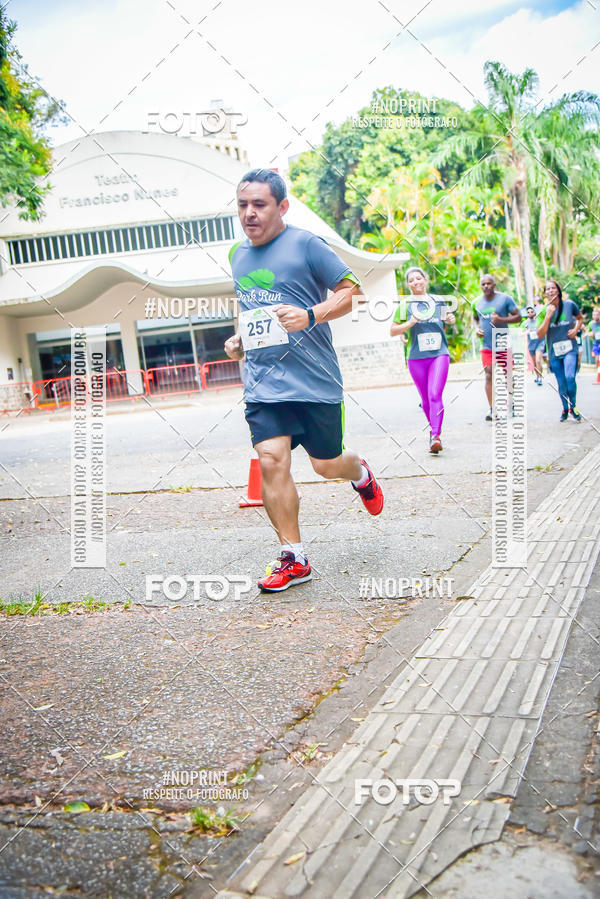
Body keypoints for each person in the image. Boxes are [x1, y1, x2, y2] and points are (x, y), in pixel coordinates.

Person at [224, 168, 384, 593]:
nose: (249, 213)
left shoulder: (307, 244)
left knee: (326, 463)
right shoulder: (237, 255)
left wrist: (311, 314)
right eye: (242, 205)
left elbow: (353, 292)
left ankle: (360, 472)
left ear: (282, 207)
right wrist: (240, 338)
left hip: (314, 381)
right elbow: (250, 310)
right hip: (263, 384)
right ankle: (294, 557)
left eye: (259, 204)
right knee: (272, 459)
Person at [390, 266, 455, 453]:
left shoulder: (438, 301)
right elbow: (393, 330)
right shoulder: (405, 305)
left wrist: (450, 319)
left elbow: (448, 319)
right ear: (408, 285)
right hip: (416, 358)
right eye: (411, 280)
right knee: (426, 399)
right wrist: (409, 324)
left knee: (435, 393)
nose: (415, 282)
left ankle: (435, 435)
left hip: (439, 354)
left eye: (419, 278)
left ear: (425, 280)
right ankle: (433, 433)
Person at [472, 274, 522, 420]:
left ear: (494, 285)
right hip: (486, 345)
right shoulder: (477, 303)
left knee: (508, 374)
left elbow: (518, 317)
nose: (486, 286)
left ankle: (511, 403)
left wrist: (501, 319)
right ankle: (492, 409)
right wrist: (477, 329)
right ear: (480, 286)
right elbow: (476, 318)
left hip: (502, 342)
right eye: (483, 284)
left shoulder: (505, 299)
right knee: (488, 374)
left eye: (489, 284)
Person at [536, 279, 584, 421]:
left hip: (570, 349)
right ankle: (565, 408)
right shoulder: (543, 311)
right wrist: (548, 317)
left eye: (553, 288)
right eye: (548, 289)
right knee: (561, 383)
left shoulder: (570, 306)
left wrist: (575, 329)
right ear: (545, 294)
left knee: (570, 377)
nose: (550, 291)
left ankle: (573, 407)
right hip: (554, 352)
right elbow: (539, 334)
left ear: (558, 291)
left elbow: (580, 319)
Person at [523, 304, 544, 385]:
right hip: (531, 345)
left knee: (538, 361)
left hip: (540, 343)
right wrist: (526, 332)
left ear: (535, 313)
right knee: (534, 363)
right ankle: (537, 376)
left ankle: (540, 378)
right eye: (528, 312)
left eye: (532, 311)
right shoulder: (525, 323)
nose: (530, 313)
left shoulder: (539, 320)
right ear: (527, 314)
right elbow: (520, 333)